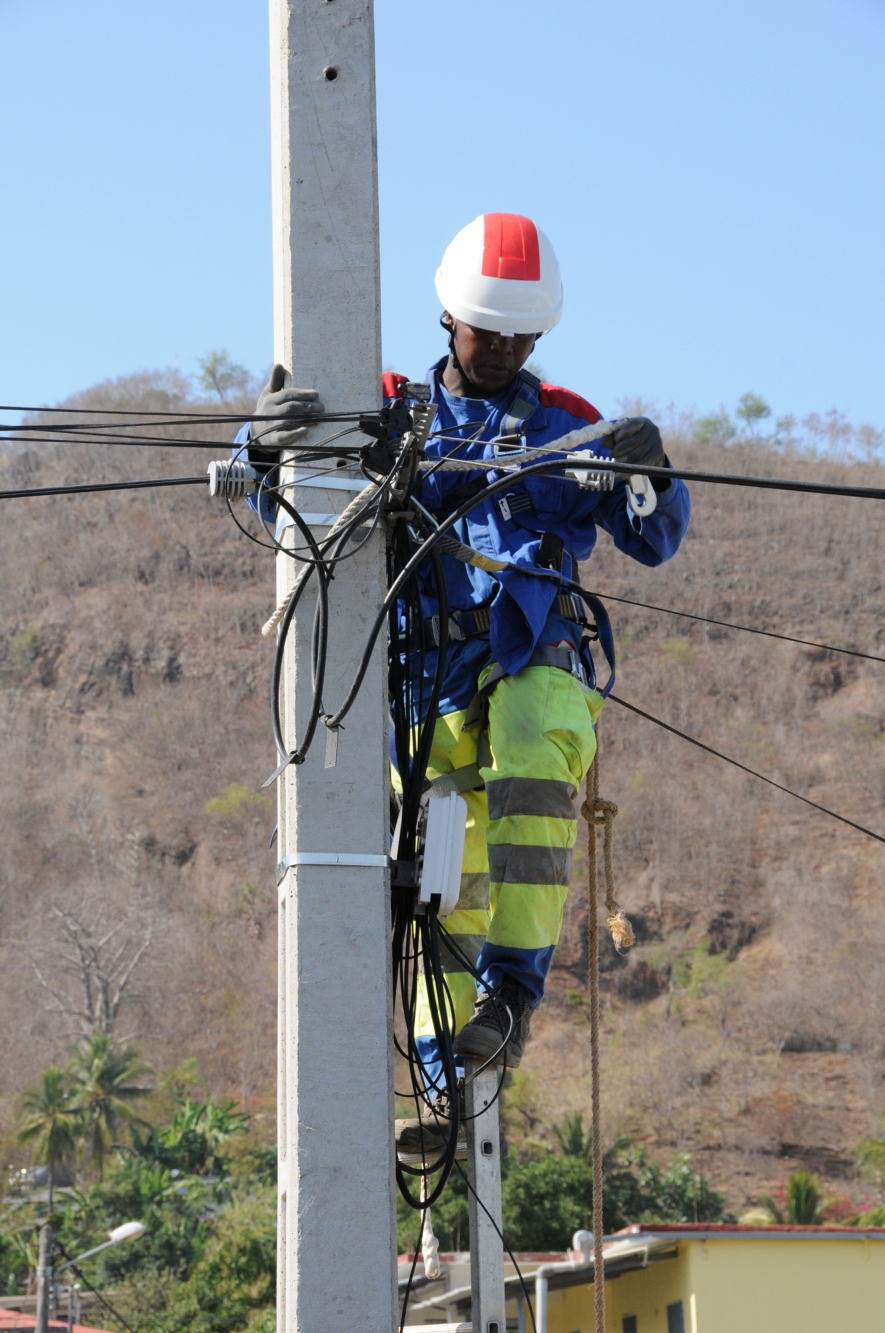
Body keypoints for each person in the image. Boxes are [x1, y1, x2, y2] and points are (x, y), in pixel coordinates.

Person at [244, 213, 690, 1128]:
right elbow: (290, 505)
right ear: (450, 319)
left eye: (522, 337)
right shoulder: (392, 409)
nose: (504, 350)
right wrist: (265, 447)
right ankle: (451, 1077)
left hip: (534, 659)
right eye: (490, 333)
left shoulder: (567, 424)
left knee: (528, 758)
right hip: (430, 683)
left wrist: (649, 473)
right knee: (443, 868)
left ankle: (512, 997)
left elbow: (652, 537)